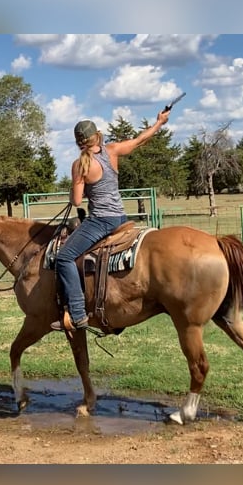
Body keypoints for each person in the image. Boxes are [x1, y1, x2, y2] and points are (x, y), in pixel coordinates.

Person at [51, 109, 170, 331]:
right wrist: (159, 122)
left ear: (79, 143)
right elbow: (139, 140)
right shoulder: (112, 151)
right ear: (97, 135)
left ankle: (77, 314)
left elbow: (76, 201)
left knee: (64, 258)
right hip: (120, 218)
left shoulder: (80, 165)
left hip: (100, 221)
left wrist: (75, 190)